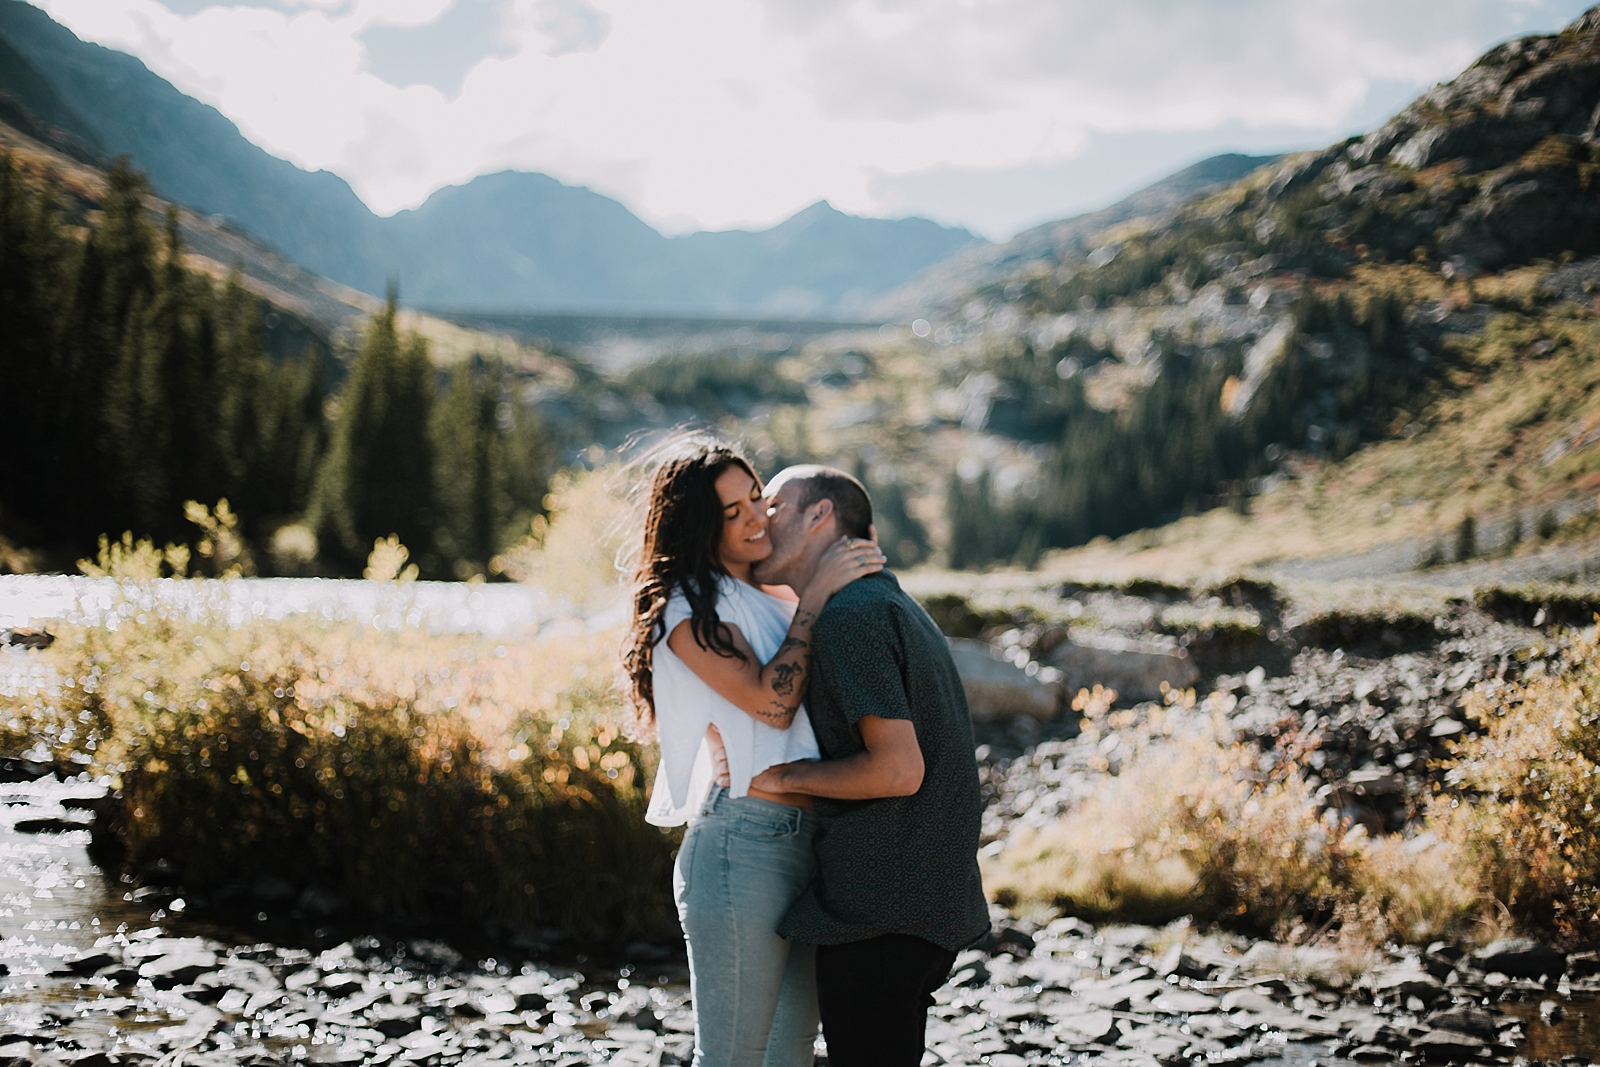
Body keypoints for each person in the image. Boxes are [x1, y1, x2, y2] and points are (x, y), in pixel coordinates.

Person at [622, 437, 886, 1067]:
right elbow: (773, 705)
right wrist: (817, 597)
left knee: (789, 1057)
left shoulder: (777, 591)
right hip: (743, 846)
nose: (755, 518)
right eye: (731, 511)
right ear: (696, 527)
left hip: (812, 841)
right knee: (733, 1058)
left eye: (756, 498)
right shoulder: (687, 613)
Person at [748, 465, 990, 1067]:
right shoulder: (887, 601)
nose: (759, 520)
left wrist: (785, 777)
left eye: (775, 506)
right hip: (917, 906)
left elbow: (897, 770)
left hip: (882, 912)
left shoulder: (850, 616)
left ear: (819, 516)